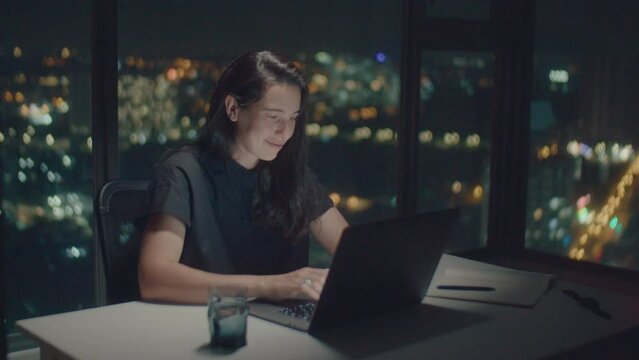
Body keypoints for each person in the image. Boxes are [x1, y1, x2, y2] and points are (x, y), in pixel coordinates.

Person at [137, 50, 349, 304]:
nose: (285, 131)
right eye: (273, 117)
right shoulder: (183, 173)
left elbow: (353, 253)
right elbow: (153, 278)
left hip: (283, 330)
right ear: (233, 108)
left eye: (292, 119)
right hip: (210, 325)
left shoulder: (291, 174)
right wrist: (272, 286)